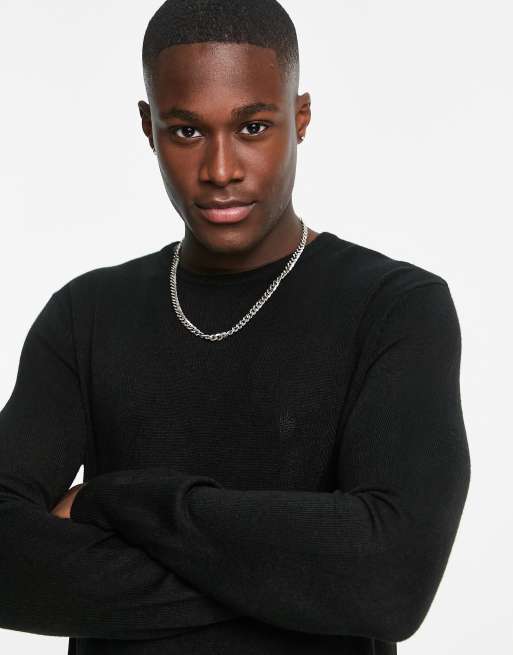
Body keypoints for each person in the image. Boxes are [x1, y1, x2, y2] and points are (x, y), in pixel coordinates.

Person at [0, 1, 471, 654]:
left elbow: (392, 579)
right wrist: (292, 586)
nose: (220, 169)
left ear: (300, 118)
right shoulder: (85, 315)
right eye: (186, 131)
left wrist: (113, 503)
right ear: (148, 128)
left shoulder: (395, 308)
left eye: (252, 126)